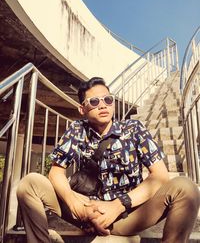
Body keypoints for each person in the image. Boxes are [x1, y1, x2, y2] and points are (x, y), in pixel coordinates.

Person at [17, 77, 200, 243]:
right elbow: (56, 172)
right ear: (82, 109)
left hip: (127, 214)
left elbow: (159, 176)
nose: (103, 105)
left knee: (186, 188)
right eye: (94, 101)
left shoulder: (133, 128)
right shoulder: (77, 129)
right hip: (87, 210)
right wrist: (77, 207)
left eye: (108, 99)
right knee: (30, 183)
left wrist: (116, 206)